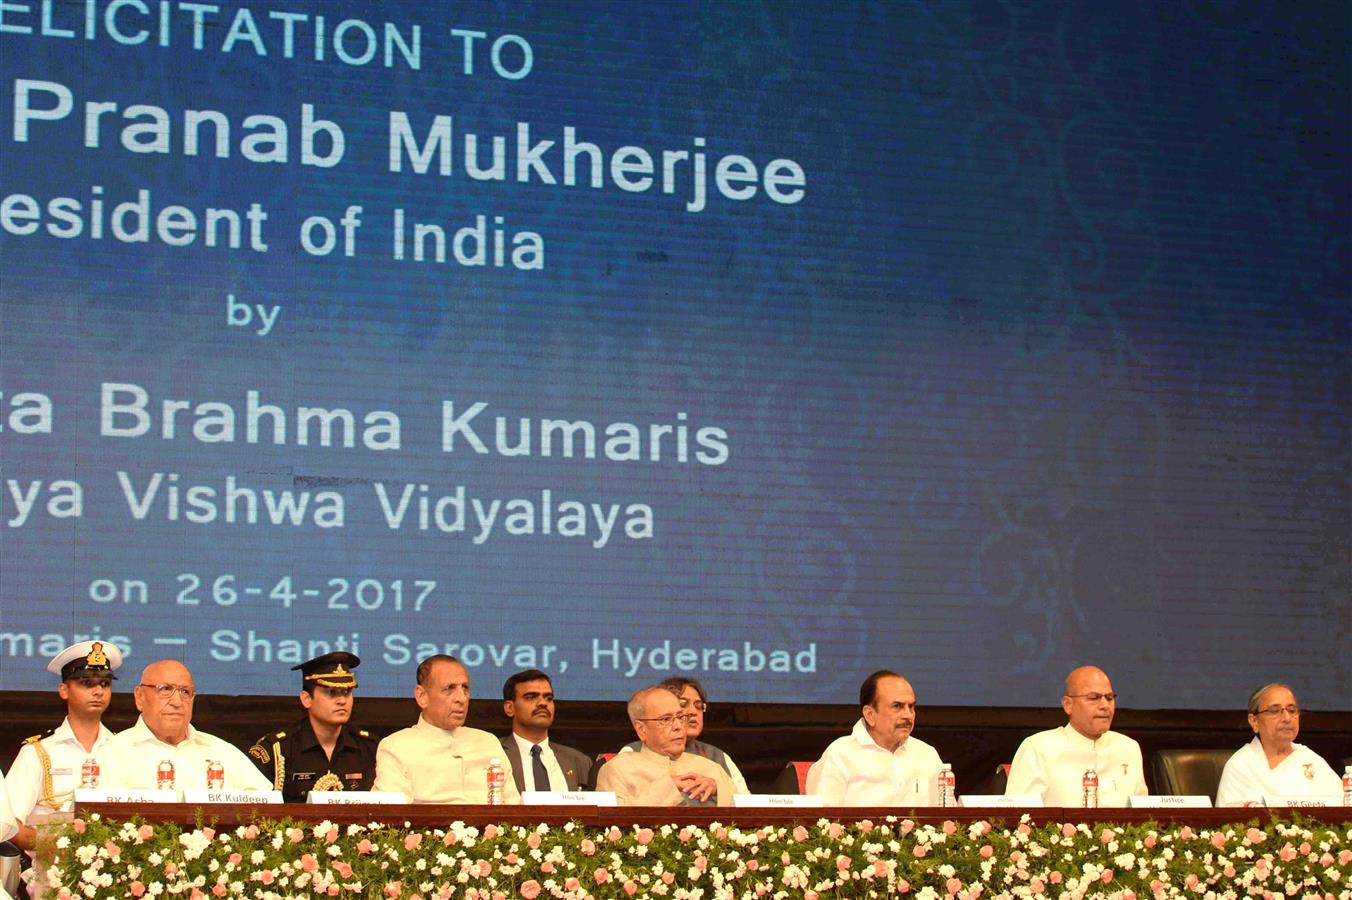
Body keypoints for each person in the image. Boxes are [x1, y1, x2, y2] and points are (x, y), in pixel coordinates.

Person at [5, 641, 122, 852]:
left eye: (105, 684)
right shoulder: (38, 752)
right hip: (48, 872)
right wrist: (58, 848)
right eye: (86, 683)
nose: (98, 691)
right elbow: (9, 825)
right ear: (64, 690)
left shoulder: (123, 748)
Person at [99, 659, 271, 791]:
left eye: (185, 692)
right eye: (165, 689)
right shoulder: (113, 753)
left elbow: (268, 808)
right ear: (140, 697)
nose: (177, 701)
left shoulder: (222, 752)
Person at [373, 655, 520, 803]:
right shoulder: (396, 746)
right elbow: (390, 816)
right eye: (449, 688)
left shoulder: (488, 742)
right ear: (422, 696)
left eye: (465, 688)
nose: (461, 699)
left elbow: (515, 809)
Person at [1005, 665, 1147, 806]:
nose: (1105, 705)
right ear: (1068, 705)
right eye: (1094, 698)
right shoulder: (1038, 747)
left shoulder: (1128, 748)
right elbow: (1017, 817)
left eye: (1109, 698)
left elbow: (1145, 817)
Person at [247, 652, 379, 802]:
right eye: (331, 693)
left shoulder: (370, 748)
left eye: (347, 692)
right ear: (307, 699)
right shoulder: (276, 750)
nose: (342, 700)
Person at [807, 670, 944, 805]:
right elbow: (821, 821)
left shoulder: (927, 754)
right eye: (897, 706)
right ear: (870, 715)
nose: (908, 715)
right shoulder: (840, 754)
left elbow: (948, 817)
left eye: (911, 707)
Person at [595, 684, 733, 806]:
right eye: (666, 719)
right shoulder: (617, 769)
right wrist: (668, 787)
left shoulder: (711, 769)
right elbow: (613, 821)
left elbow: (748, 812)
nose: (678, 726)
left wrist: (718, 790)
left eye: (680, 717)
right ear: (642, 729)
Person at [1215, 683, 1342, 806]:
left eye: (1292, 710)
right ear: (1254, 721)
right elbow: (1230, 822)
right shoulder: (1241, 765)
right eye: (1275, 711)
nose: (1287, 718)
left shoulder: (1310, 759)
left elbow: (1343, 807)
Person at [621, 677, 748, 794]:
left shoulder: (718, 758)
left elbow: (749, 805)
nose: (693, 712)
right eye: (683, 705)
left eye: (698, 706)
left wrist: (718, 788)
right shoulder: (632, 754)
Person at [499, 669, 593, 792]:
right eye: (531, 697)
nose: (543, 703)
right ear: (509, 708)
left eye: (548, 698)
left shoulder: (578, 761)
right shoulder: (495, 753)